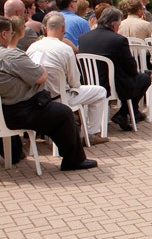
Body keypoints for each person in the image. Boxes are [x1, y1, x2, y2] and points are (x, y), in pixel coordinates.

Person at [0, 16, 97, 170]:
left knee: (53, 111)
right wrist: (40, 67)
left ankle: (15, 153)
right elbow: (41, 77)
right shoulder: (10, 55)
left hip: (4, 111)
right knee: (64, 113)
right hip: (20, 110)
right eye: (10, 33)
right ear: (4, 34)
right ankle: (74, 160)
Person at [26, 12, 109, 145]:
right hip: (60, 98)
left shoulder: (32, 47)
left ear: (46, 29)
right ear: (63, 29)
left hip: (36, 97)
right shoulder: (65, 49)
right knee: (100, 92)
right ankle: (91, 133)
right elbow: (75, 82)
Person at [78, 7, 152, 131]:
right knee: (145, 78)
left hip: (88, 81)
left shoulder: (83, 38)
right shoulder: (118, 40)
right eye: (119, 24)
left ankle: (129, 112)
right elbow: (131, 68)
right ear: (114, 24)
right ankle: (124, 112)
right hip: (112, 84)